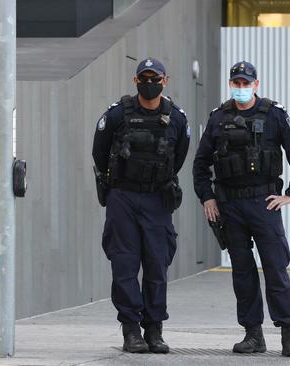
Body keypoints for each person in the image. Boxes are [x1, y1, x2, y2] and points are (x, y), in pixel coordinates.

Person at [193, 61, 290, 357]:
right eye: (237, 83)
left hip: (264, 204)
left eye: (247, 83)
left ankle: (289, 334)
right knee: (242, 272)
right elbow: (200, 163)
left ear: (256, 85)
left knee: (275, 268)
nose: (242, 88)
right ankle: (253, 335)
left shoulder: (273, 114)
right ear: (231, 84)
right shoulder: (218, 118)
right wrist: (207, 197)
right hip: (230, 206)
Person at [91, 58, 190, 354]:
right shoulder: (118, 113)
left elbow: (180, 157)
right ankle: (131, 330)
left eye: (155, 78)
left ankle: (154, 329)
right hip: (123, 198)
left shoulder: (177, 118)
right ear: (136, 81)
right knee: (124, 263)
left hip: (158, 199)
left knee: (157, 264)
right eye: (144, 78)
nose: (150, 83)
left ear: (165, 80)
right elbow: (100, 151)